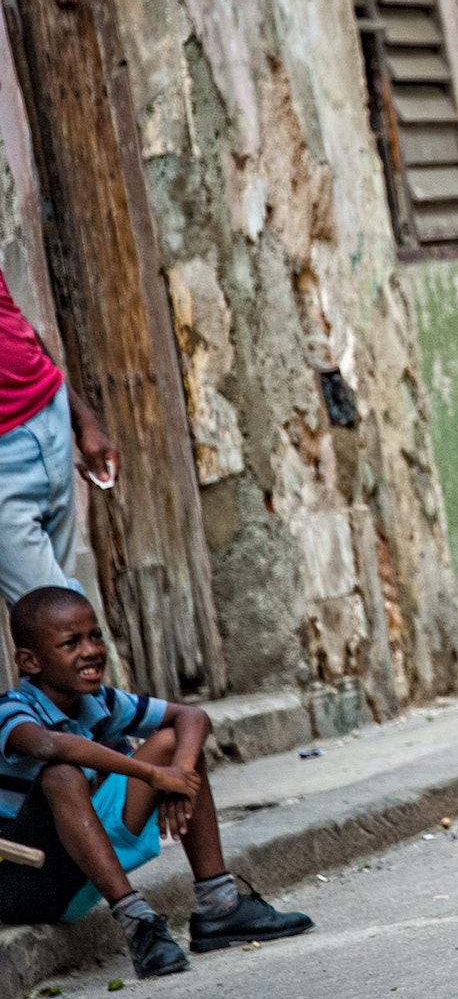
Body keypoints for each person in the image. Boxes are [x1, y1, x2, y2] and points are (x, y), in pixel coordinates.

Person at [0, 587, 311, 977]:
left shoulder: (100, 701)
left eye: (95, 636)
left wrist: (179, 773)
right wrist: (151, 774)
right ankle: (139, 923)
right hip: (21, 883)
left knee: (178, 740)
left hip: (81, 869)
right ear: (30, 661)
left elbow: (193, 716)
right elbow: (48, 744)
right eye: (70, 643)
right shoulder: (12, 708)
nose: (91, 650)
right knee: (62, 773)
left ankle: (220, 905)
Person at [0, 269, 118, 604]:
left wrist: (84, 422)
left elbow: (14, 323)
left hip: (49, 417)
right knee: (52, 619)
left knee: (64, 597)